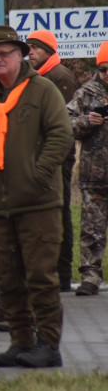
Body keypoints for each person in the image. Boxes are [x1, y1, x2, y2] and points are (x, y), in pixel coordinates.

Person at [0, 26, 73, 368]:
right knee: (8, 278)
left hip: (38, 203)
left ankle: (48, 346)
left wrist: (38, 175)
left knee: (40, 276)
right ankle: (21, 342)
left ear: (20, 55)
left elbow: (61, 134)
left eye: (4, 53)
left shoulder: (42, 90)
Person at [26, 29, 79, 292]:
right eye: (29, 48)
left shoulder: (60, 77)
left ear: (49, 50)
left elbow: (66, 123)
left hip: (58, 157)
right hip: (42, 155)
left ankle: (63, 273)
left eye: (36, 48)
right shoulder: (42, 76)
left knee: (60, 211)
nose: (31, 53)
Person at [66, 41, 108, 297]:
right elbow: (63, 121)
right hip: (95, 176)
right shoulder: (86, 93)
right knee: (92, 229)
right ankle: (90, 276)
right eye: (104, 69)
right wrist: (85, 121)